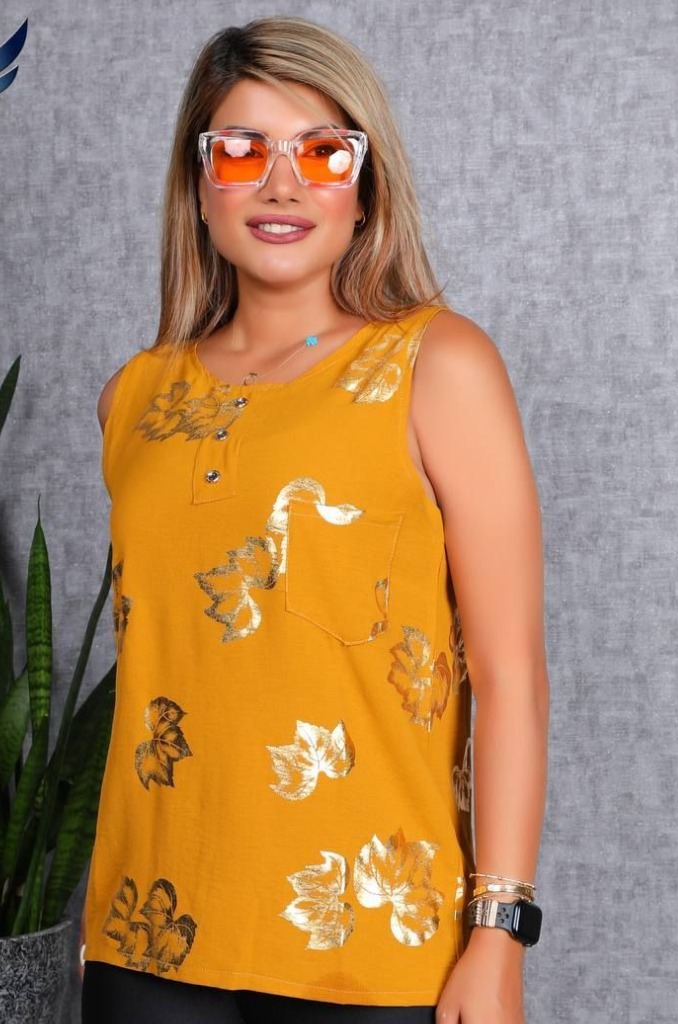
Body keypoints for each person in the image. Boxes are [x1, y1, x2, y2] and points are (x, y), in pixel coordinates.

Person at [80, 15, 549, 1024]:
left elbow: (508, 673)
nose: (281, 185)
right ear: (198, 184)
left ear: (364, 187)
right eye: (242, 150)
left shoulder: (438, 366)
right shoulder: (134, 399)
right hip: (147, 940)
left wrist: (498, 931)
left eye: (323, 152)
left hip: (371, 946)